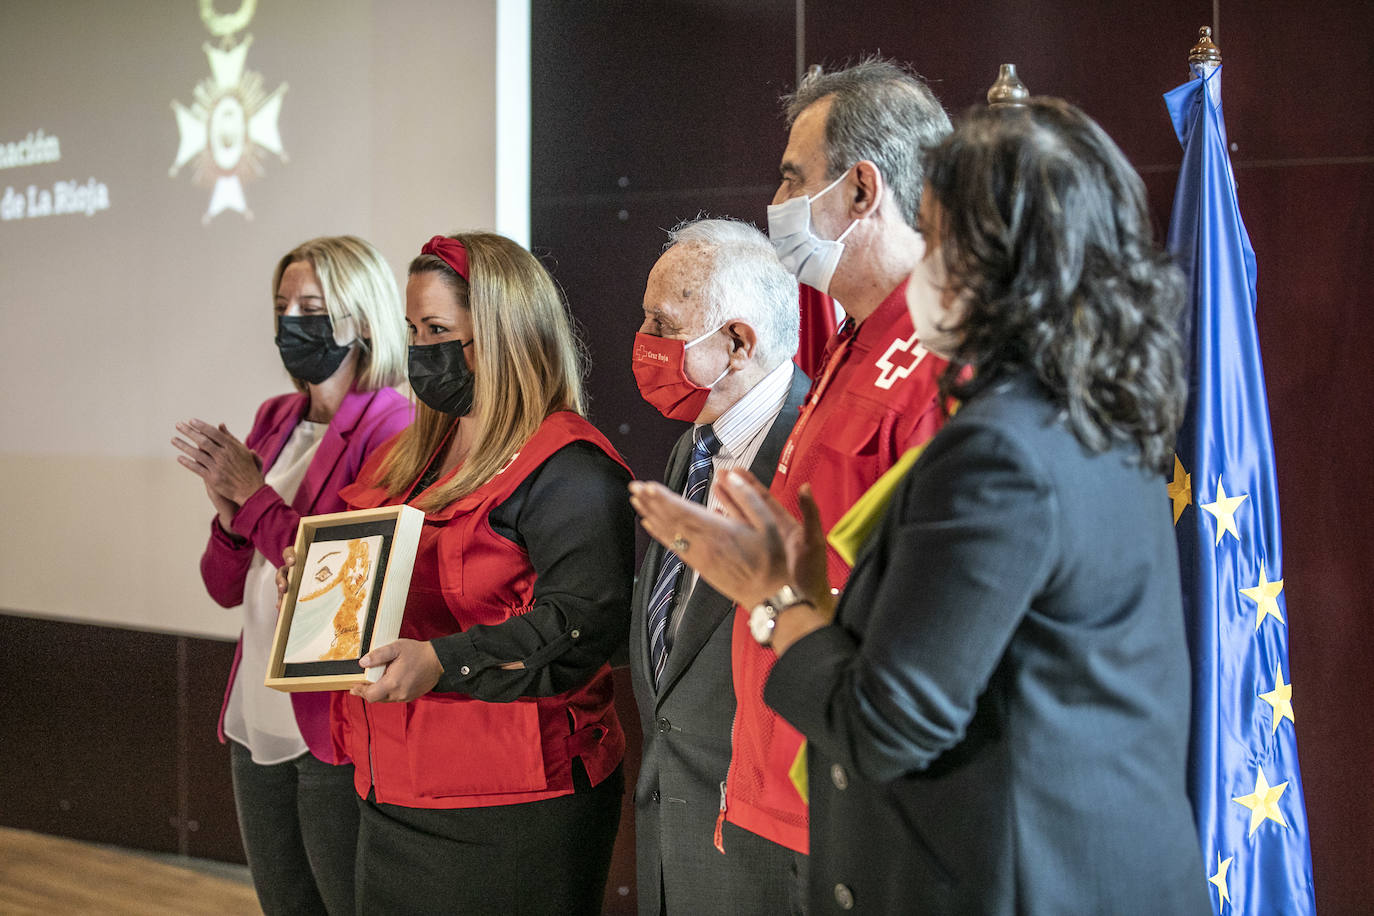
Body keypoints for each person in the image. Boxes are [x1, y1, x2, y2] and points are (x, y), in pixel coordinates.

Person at [630, 98, 1212, 913]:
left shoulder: (1000, 448)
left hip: (1020, 875)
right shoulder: (1097, 411)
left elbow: (888, 723)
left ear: (997, 257)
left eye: (937, 237)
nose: (921, 262)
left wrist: (775, 599)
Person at [327, 231, 634, 914]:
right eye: (412, 329)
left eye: (438, 329)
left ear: (504, 333)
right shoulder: (415, 454)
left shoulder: (568, 466)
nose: (419, 349)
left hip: (510, 807)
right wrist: (317, 588)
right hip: (391, 789)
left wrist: (444, 660)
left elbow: (583, 626)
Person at [726, 58, 955, 862]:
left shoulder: (939, 356)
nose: (778, 206)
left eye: (795, 182)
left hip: (854, 806)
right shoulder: (854, 343)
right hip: (786, 787)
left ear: (861, 191)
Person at [173, 235, 411, 916]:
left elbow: (339, 584)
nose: (291, 321)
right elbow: (224, 586)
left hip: (331, 712)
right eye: (283, 306)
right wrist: (228, 520)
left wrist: (253, 501)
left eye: (312, 305)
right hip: (257, 709)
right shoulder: (275, 418)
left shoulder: (392, 423)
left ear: (360, 318)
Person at [629, 218, 809, 914]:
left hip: (760, 848)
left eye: (661, 323)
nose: (643, 345)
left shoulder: (816, 447)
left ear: (737, 342)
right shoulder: (694, 447)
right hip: (671, 827)